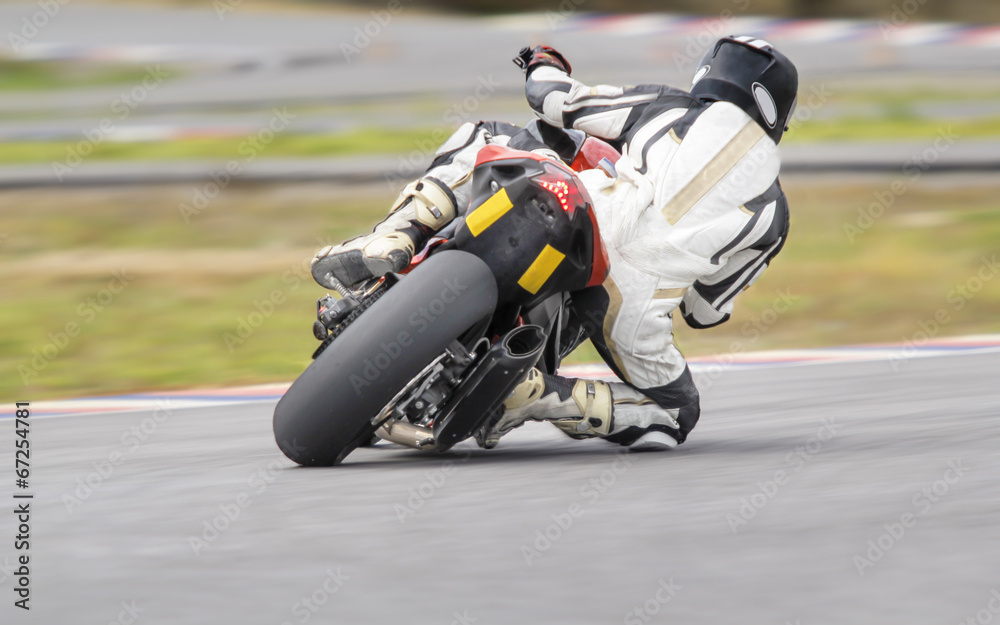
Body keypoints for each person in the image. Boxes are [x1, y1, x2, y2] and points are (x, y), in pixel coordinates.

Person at [311, 36, 798, 452]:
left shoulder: (672, 108)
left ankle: (396, 232)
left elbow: (553, 100)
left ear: (712, 74)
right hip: (626, 303)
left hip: (581, 216)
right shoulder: (774, 215)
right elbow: (703, 311)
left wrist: (544, 60)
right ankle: (540, 394)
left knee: (486, 136)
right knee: (676, 414)